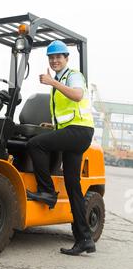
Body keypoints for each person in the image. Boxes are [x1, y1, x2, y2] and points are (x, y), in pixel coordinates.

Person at [26, 40, 95, 256]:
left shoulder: (73, 75)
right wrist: (54, 126)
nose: (54, 60)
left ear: (66, 58)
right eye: (51, 57)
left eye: (58, 57)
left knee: (35, 144)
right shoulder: (59, 79)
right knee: (73, 186)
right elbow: (68, 112)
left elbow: (77, 95)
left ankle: (46, 191)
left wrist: (51, 83)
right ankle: (85, 239)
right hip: (74, 132)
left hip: (80, 131)